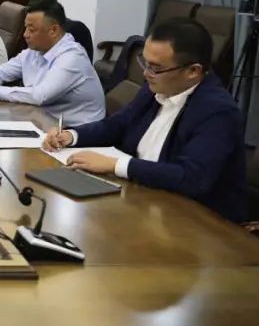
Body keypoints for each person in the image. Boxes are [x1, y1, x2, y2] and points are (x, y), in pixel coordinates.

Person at [43, 18, 246, 222]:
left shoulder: (218, 112)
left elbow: (191, 177)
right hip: (140, 196)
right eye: (145, 62)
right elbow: (117, 125)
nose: (145, 73)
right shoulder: (157, 87)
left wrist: (115, 165)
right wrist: (71, 135)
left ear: (193, 71)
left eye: (156, 67)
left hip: (194, 220)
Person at [0, 0, 105, 125]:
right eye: (26, 28)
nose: (25, 35)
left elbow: (41, 95)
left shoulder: (72, 57)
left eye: (32, 30)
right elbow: (2, 71)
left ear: (53, 31)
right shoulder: (35, 50)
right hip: (41, 119)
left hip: (77, 132)